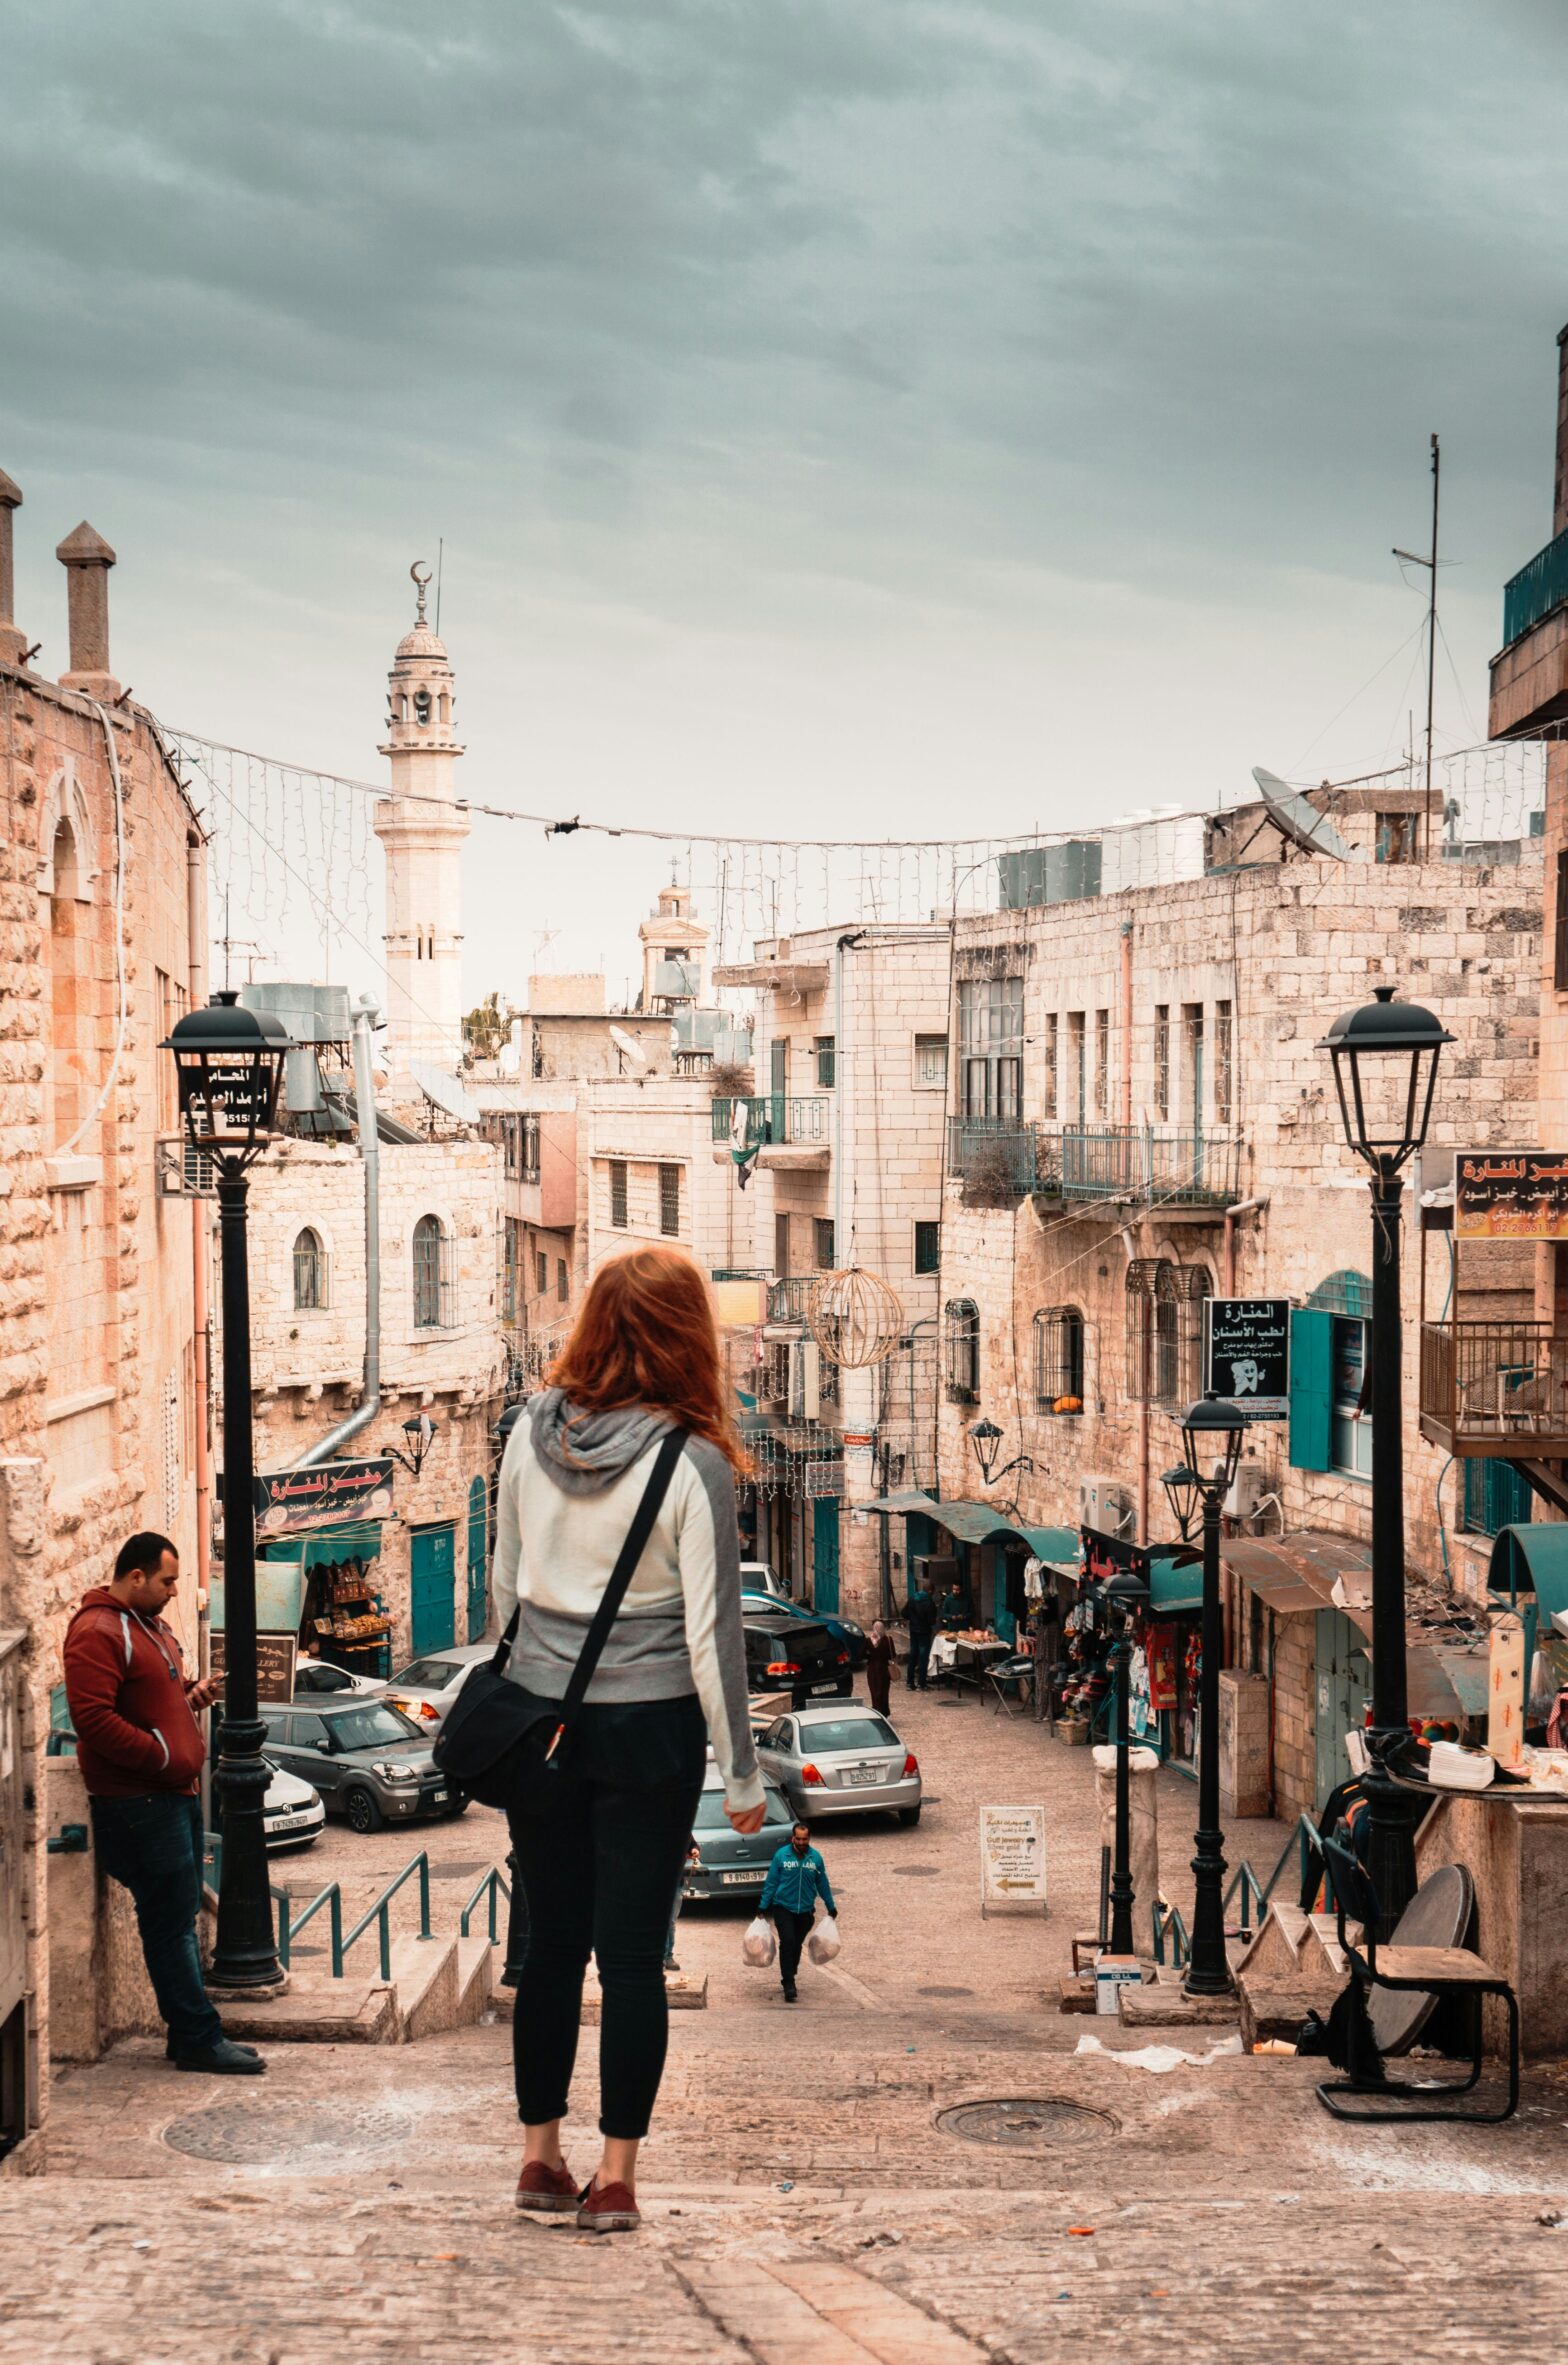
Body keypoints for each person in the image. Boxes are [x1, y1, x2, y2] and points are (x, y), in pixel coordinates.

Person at [493, 1244, 766, 2236]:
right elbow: (712, 1633)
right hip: (650, 1733)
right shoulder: (692, 1461)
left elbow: (505, 1584)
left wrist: (521, 1691)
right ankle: (611, 2177)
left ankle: (536, 2158)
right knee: (630, 1959)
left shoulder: (527, 1430)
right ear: (688, 1336)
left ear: (595, 1323)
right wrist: (739, 1773)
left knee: (549, 1948)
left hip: (541, 1724)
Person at [62, 1533, 263, 2076]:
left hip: (170, 1795)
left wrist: (190, 1698)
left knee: (176, 1918)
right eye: (167, 1581)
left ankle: (189, 2033)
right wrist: (160, 1754)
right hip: (139, 1802)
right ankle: (198, 2037)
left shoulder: (150, 1627)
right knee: (169, 1923)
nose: (176, 1590)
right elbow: (94, 1720)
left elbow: (152, 1700)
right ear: (135, 1578)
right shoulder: (98, 1632)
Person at [759, 1821, 838, 2003]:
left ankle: (790, 1971)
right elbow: (771, 1883)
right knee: (787, 1942)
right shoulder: (781, 1856)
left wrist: (831, 1906)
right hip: (783, 1907)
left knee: (795, 1945)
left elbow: (822, 1883)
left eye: (805, 1839)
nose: (802, 1842)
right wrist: (762, 1906)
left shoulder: (815, 1858)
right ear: (792, 1838)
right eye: (798, 1839)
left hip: (805, 1911)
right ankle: (788, 1982)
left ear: (809, 1838)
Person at [663, 1836, 701, 1975]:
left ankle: (668, 1956)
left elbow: (693, 1845)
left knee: (671, 1922)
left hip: (676, 1884)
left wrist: (694, 1850)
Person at [905, 1578, 937, 1690]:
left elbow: (904, 1613)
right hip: (924, 1632)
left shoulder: (913, 1598)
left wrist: (913, 1619)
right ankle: (921, 1683)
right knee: (923, 1657)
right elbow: (931, 1621)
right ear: (930, 1591)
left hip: (914, 1630)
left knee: (913, 1655)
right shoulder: (929, 1602)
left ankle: (909, 1682)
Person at [864, 1618, 898, 1716]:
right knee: (883, 1692)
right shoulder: (888, 1639)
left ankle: (877, 1712)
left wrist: (870, 1653)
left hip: (873, 1669)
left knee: (875, 1692)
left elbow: (862, 1654)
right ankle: (884, 1712)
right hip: (884, 1669)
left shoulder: (868, 1641)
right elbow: (892, 1655)